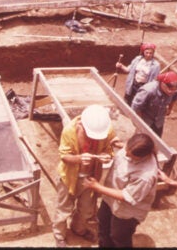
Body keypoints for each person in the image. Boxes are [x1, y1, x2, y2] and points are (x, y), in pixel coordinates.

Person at [52, 105, 121, 247]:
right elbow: (64, 155)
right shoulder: (70, 131)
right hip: (69, 177)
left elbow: (109, 149)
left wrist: (106, 156)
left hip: (90, 178)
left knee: (86, 209)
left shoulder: (106, 129)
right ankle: (59, 234)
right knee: (64, 208)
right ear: (82, 124)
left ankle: (78, 229)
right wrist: (78, 159)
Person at [82, 133, 159, 248]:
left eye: (130, 154)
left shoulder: (146, 175)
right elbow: (126, 151)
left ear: (142, 157)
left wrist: (97, 187)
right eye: (126, 149)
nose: (126, 154)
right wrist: (116, 147)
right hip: (110, 199)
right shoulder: (130, 148)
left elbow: (126, 196)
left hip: (127, 211)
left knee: (118, 236)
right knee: (103, 225)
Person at [131, 71, 177, 137]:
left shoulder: (174, 91)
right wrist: (140, 123)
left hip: (159, 122)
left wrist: (170, 109)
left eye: (174, 90)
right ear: (163, 84)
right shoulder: (148, 90)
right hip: (146, 121)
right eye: (170, 89)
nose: (172, 92)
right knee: (139, 142)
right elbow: (136, 107)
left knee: (156, 142)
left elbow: (174, 98)